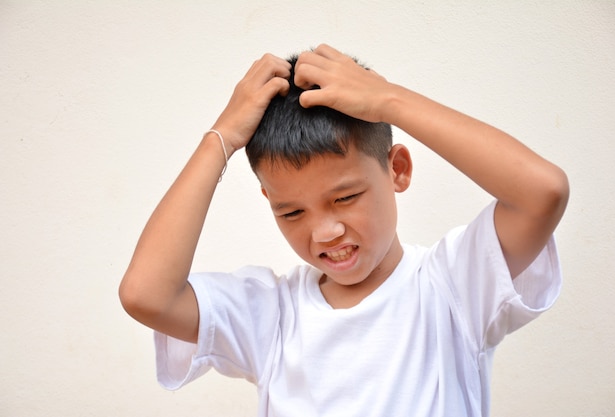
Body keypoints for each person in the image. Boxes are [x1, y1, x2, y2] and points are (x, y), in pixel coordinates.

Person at [119, 44, 569, 416]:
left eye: (346, 198)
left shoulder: (452, 287)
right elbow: (146, 294)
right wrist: (221, 137)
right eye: (292, 213)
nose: (325, 232)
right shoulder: (271, 316)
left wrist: (387, 99)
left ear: (397, 170)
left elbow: (542, 192)